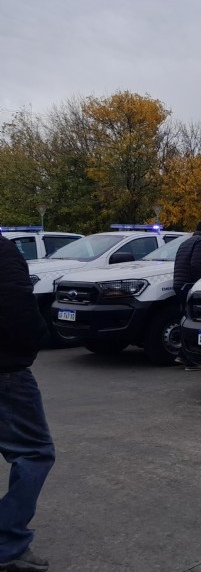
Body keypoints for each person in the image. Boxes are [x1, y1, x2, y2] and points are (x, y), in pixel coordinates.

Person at [0, 235, 55, 572]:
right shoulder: (4, 252)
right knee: (34, 453)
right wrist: (37, 337)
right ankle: (7, 544)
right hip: (5, 371)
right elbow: (16, 305)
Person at [173, 220, 201, 370]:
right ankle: (189, 358)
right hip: (190, 286)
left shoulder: (187, 242)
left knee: (186, 319)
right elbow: (196, 264)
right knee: (196, 321)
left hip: (180, 285)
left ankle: (183, 354)